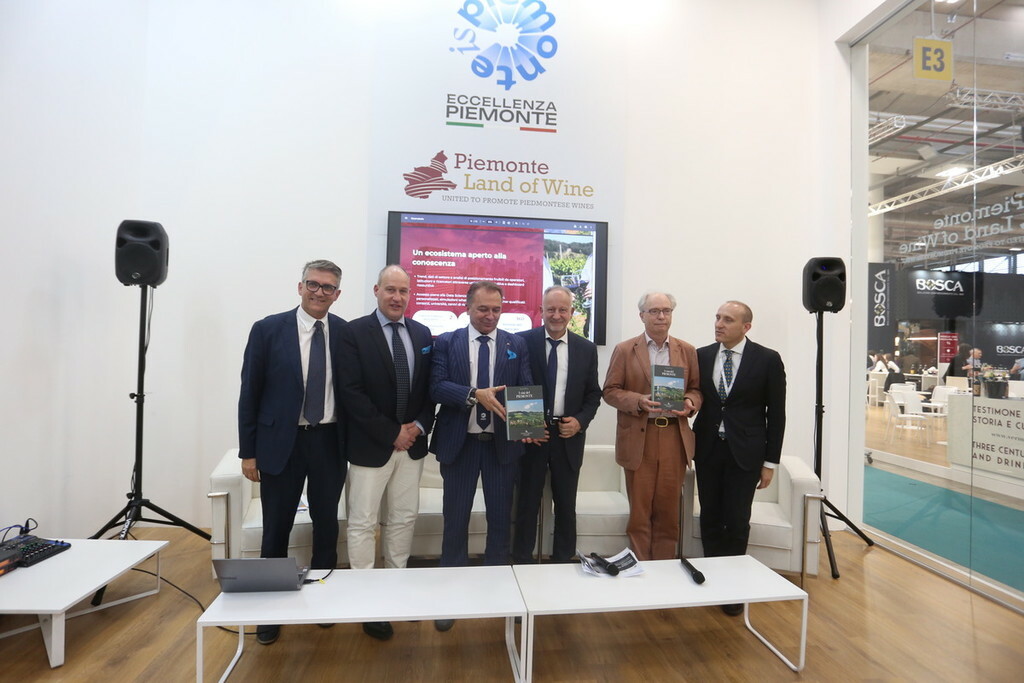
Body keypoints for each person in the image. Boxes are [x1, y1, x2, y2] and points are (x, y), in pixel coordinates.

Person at [238, 259, 348, 646]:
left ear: (337, 294)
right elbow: (249, 393)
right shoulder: (268, 329)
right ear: (300, 287)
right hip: (281, 444)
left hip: (329, 441)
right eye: (313, 284)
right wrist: (248, 452)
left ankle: (321, 599)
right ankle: (270, 610)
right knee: (276, 527)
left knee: (327, 525)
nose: (320, 292)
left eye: (328, 287)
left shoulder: (345, 333)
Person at [428, 280, 533, 631]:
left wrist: (529, 425)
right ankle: (450, 597)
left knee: (500, 523)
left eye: (496, 309)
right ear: (468, 307)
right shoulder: (447, 341)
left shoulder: (516, 343)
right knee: (455, 522)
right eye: (483, 309)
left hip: (501, 448)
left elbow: (525, 387)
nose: (490, 316)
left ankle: (497, 597)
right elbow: (436, 386)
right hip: (461, 446)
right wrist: (474, 394)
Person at [337, 265, 434, 642]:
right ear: (376, 290)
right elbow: (351, 393)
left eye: (403, 291)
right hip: (370, 446)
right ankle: (365, 599)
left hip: (412, 446)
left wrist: (417, 427)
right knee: (363, 522)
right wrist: (392, 432)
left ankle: (395, 589)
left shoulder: (422, 333)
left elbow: (429, 389)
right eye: (390, 289)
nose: (397, 297)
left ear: (410, 294)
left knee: (404, 518)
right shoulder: (353, 333)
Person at [692, 301, 786, 617]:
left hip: (745, 453)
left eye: (728, 319)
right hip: (708, 450)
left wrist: (770, 463)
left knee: (736, 520)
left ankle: (732, 588)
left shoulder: (767, 359)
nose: (719, 324)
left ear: (746, 327)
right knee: (709, 517)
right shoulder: (701, 355)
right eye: (717, 317)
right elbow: (695, 396)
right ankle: (712, 581)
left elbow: (777, 414)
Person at [602, 291, 701, 561]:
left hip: (674, 436)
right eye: (654, 311)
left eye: (666, 311)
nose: (661, 316)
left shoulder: (687, 350)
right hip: (639, 437)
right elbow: (610, 391)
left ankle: (665, 568)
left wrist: (690, 403)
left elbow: (696, 390)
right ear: (642, 316)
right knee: (640, 512)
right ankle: (641, 568)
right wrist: (638, 401)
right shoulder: (625, 350)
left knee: (668, 511)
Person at [512, 286, 602, 564]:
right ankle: (522, 564)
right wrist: (526, 427)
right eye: (551, 309)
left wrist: (580, 422)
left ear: (572, 312)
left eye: (563, 310)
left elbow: (593, 395)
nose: (556, 315)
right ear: (541, 311)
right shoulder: (521, 342)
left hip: (568, 435)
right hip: (531, 437)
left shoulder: (586, 349)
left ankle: (562, 564)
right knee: (526, 504)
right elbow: (513, 386)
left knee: (566, 506)